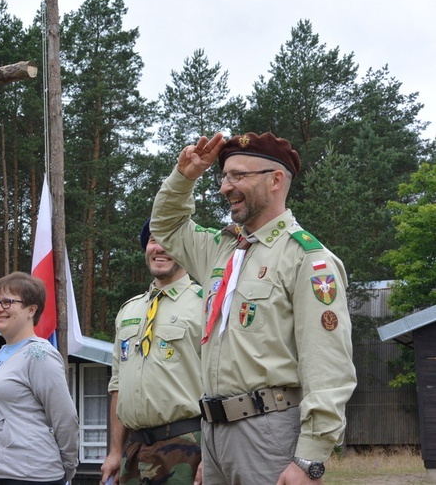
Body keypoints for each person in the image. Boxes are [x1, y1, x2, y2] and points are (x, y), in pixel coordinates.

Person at [150, 132, 357, 484]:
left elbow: (328, 366)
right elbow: (166, 227)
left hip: (270, 431)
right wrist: (184, 177)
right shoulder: (223, 249)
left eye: (238, 176)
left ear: (276, 180)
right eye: (224, 176)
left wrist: (310, 457)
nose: (224, 187)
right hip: (215, 434)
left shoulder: (307, 258)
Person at [101, 220, 204, 484]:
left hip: (188, 448)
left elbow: (224, 384)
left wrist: (213, 455)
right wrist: (115, 452)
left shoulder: (205, 303)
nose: (160, 248)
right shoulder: (128, 310)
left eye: (170, 240)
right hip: (133, 451)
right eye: (153, 240)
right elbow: (117, 385)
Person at [0, 272, 79, 484]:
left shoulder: (39, 355)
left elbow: (65, 417)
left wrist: (67, 467)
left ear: (31, 310)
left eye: (8, 302)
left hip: (29, 476)